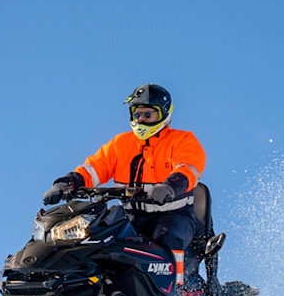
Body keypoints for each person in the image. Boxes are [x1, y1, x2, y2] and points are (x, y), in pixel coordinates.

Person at [42, 84, 206, 284]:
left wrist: (170, 187)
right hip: (131, 216)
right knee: (97, 239)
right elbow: (94, 168)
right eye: (137, 114)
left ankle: (178, 292)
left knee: (166, 240)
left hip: (173, 216)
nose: (141, 120)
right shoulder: (121, 144)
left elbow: (188, 169)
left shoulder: (182, 140)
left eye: (148, 115)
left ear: (164, 114)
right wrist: (66, 184)